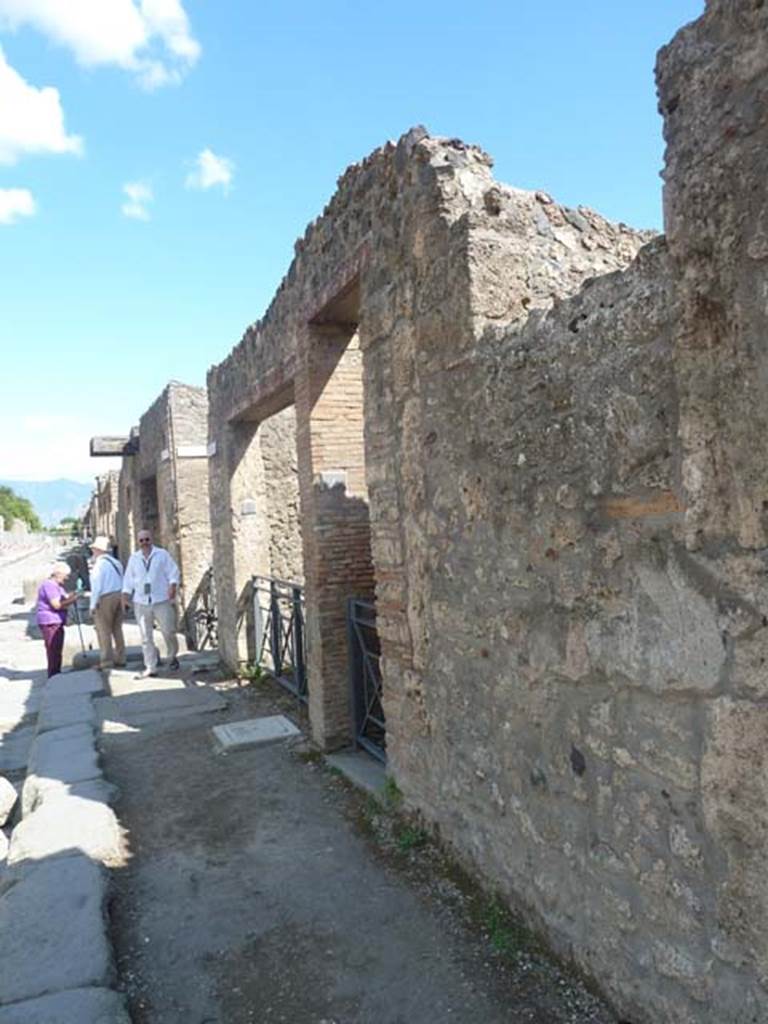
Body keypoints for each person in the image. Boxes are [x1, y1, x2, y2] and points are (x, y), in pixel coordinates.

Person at [122, 529, 181, 678]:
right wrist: (125, 595)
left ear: (151, 539)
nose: (144, 543)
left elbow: (173, 572)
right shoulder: (134, 558)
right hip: (141, 601)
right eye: (141, 540)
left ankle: (172, 656)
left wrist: (172, 586)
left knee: (168, 631)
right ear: (138, 542)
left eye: (147, 539)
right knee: (145, 636)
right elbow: (129, 579)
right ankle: (150, 666)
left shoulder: (162, 554)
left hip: (160, 599)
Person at [36, 562, 79, 678]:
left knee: (57, 648)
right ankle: (53, 674)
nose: (67, 578)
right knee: (53, 648)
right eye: (66, 575)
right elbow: (56, 605)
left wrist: (71, 596)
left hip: (56, 620)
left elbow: (63, 598)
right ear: (58, 574)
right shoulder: (49, 585)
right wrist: (72, 600)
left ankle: (56, 671)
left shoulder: (57, 586)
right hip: (50, 621)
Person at [89, 535, 126, 670]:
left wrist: (92, 605)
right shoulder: (116, 562)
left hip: (105, 598)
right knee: (117, 629)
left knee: (103, 630)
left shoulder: (99, 565)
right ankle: (121, 658)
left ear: (98, 550)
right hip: (119, 595)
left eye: (94, 549)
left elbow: (96, 586)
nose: (93, 551)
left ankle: (106, 661)